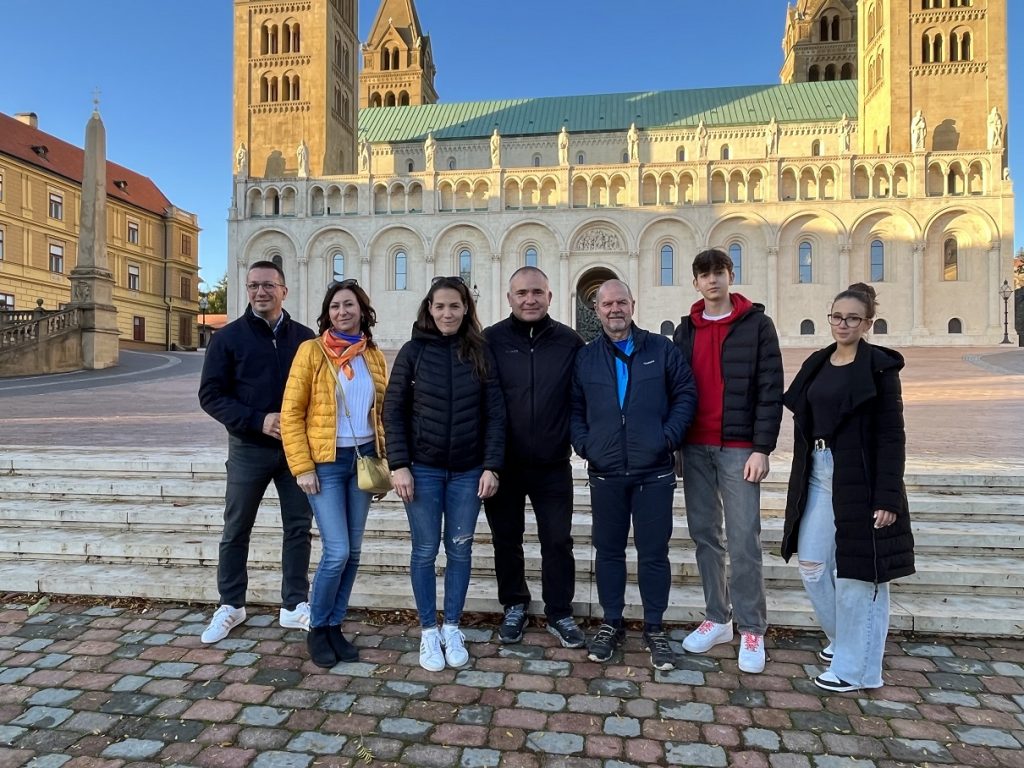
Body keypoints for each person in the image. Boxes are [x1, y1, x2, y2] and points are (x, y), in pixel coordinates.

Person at [781, 283, 914, 692]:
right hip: (818, 473)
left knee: (860, 574)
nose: (843, 324)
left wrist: (888, 496)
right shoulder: (819, 363)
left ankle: (857, 670)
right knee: (813, 565)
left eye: (853, 318)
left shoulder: (879, 367)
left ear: (868, 323)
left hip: (861, 475)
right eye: (837, 316)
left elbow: (892, 435)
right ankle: (845, 642)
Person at [570, 280, 697, 670]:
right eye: (606, 304)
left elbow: (685, 394)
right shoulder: (587, 357)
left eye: (621, 302)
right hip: (606, 471)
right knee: (608, 552)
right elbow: (574, 407)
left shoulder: (661, 349)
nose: (614, 310)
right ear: (597, 309)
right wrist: (585, 444)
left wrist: (667, 437)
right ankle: (612, 621)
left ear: (632, 304)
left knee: (654, 552)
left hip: (653, 472)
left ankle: (654, 626)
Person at [383, 276, 506, 672]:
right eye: (440, 306)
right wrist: (399, 464)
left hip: (468, 472)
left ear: (466, 308)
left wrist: (492, 465)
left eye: (455, 306)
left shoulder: (480, 352)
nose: (447, 313)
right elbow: (393, 412)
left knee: (460, 549)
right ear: (429, 309)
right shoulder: (413, 352)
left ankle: (451, 625)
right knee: (423, 551)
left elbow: (495, 414)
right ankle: (426, 631)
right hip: (422, 469)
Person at [673, 249, 784, 674]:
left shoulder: (756, 324)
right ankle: (718, 618)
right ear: (696, 282)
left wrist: (762, 448)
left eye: (719, 272)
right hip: (695, 447)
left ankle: (752, 626)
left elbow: (770, 387)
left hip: (740, 448)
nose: (712, 280)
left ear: (730, 275)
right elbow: (676, 388)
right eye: (704, 274)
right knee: (705, 535)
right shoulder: (686, 330)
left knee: (743, 539)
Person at [198, 260, 316, 644]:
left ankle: (294, 604)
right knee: (236, 529)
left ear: (284, 290)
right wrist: (256, 419)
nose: (260, 292)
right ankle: (231, 603)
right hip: (249, 447)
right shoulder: (227, 338)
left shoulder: (305, 338)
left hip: (296, 450)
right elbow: (211, 395)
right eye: (252, 286)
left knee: (298, 528)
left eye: (268, 285)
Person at [280, 280, 388, 668]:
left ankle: (335, 623)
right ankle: (318, 627)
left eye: (350, 305)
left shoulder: (372, 355)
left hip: (361, 461)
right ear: (327, 313)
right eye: (336, 306)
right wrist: (302, 467)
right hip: (325, 462)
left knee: (354, 552)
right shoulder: (311, 351)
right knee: (337, 550)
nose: (343, 311)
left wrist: (384, 463)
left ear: (362, 310)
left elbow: (382, 414)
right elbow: (291, 413)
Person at [484, 267, 585, 648]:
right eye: (522, 293)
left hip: (552, 464)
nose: (530, 299)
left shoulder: (570, 342)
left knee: (557, 540)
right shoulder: (490, 340)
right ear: (509, 298)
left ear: (550, 296)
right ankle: (514, 604)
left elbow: (582, 397)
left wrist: (580, 440)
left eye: (537, 292)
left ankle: (559, 611)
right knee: (505, 539)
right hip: (503, 464)